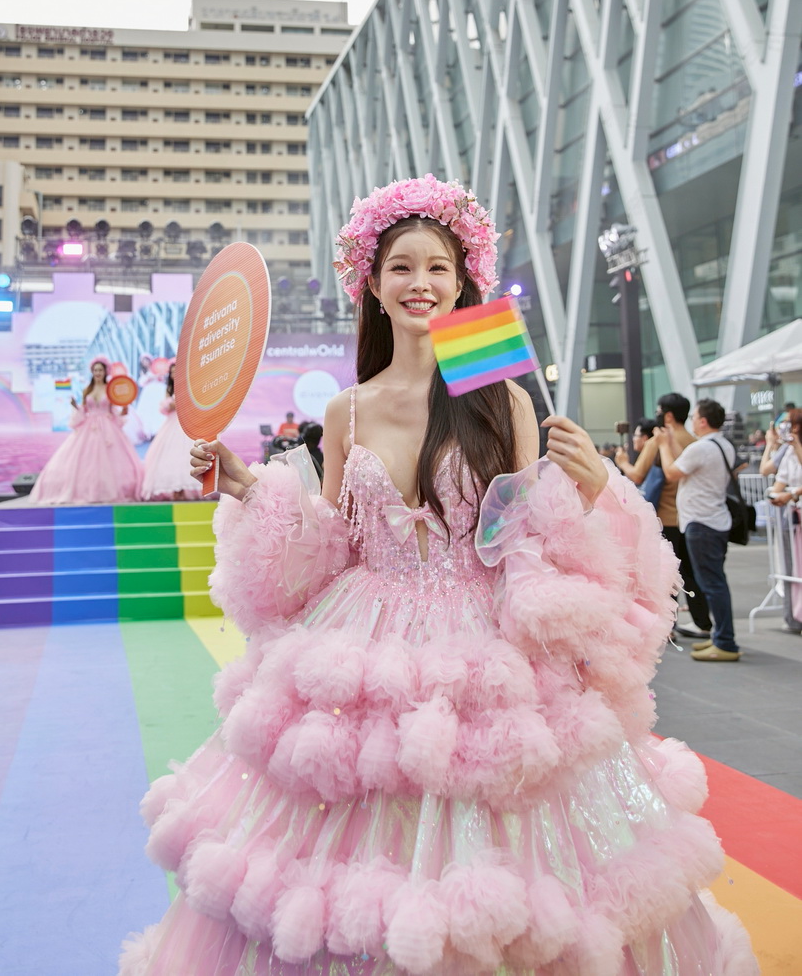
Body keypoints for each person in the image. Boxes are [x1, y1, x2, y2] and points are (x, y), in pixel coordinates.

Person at [120, 176, 756, 975]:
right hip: (362, 638)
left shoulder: (502, 399)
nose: (421, 283)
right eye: (402, 267)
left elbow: (539, 536)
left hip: (487, 638)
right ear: (373, 284)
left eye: (439, 269)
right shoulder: (348, 410)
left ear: (462, 284)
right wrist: (250, 488)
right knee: (355, 827)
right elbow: (331, 540)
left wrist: (593, 483)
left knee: (501, 817)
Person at [617, 393, 712, 641]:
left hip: (664, 518)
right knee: (691, 574)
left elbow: (637, 475)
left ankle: (667, 626)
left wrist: (623, 462)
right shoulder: (692, 441)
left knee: (666, 573)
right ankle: (703, 622)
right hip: (688, 517)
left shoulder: (658, 441)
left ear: (668, 415)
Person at [657, 399, 741, 662]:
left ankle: (725, 641)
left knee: (713, 584)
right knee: (713, 581)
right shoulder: (723, 445)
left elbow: (671, 472)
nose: (692, 421)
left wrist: (662, 445)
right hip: (715, 520)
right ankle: (720, 637)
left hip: (702, 523)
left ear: (703, 421)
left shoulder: (702, 448)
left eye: (695, 417)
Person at [30, 357, 143, 505]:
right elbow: (84, 411)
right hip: (88, 427)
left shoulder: (110, 389)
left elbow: (115, 411)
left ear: (105, 372)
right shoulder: (87, 390)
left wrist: (124, 410)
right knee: (84, 461)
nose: (98, 373)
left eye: (100, 370)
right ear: (92, 372)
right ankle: (85, 491)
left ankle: (108, 490)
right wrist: (75, 406)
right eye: (95, 370)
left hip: (108, 428)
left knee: (109, 460)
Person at [140, 361, 202, 501]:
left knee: (187, 456)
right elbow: (164, 409)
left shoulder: (189, 387)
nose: (174, 374)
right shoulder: (169, 389)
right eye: (172, 372)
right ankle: (175, 490)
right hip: (171, 424)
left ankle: (185, 489)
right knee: (170, 456)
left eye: (176, 371)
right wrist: (169, 406)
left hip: (186, 424)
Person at [768, 408, 802, 631]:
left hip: (795, 511)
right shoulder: (788, 452)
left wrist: (792, 494)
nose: (785, 426)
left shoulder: (794, 449)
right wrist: (776, 495)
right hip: (793, 518)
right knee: (792, 569)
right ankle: (794, 617)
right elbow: (775, 478)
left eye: (789, 422)